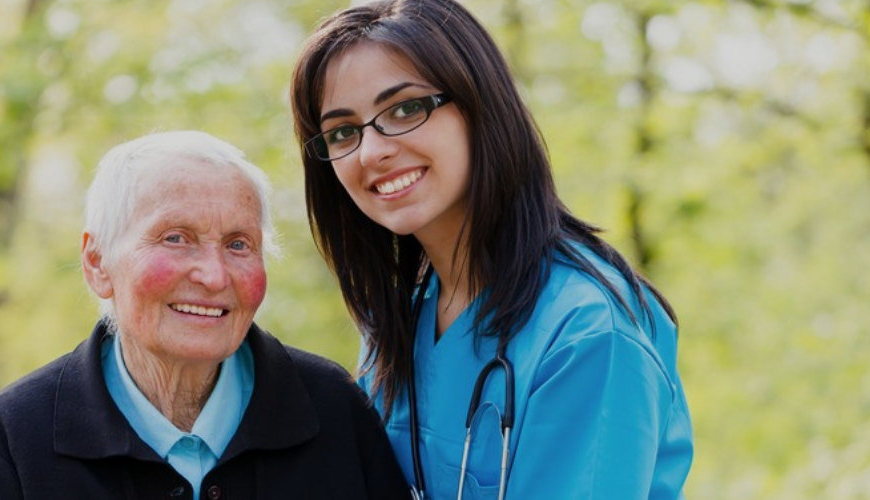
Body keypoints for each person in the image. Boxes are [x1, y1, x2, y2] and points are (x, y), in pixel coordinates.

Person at [289, 0, 694, 498]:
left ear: (480, 105)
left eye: (405, 108)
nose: (372, 151)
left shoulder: (588, 333)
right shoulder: (397, 324)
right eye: (343, 132)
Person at [0, 131, 408, 499]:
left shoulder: (333, 409)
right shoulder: (17, 436)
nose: (215, 276)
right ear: (97, 264)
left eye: (238, 244)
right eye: (176, 238)